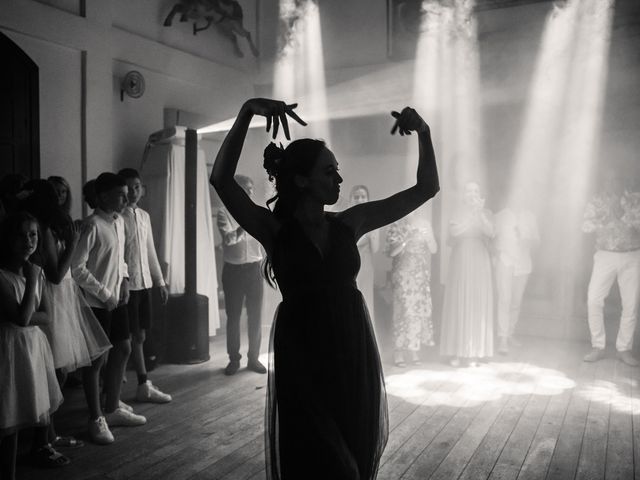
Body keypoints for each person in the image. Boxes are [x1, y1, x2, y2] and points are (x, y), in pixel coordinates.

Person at [210, 98, 439, 480]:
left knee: (352, 443)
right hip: (302, 348)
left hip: (351, 344)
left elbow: (426, 188)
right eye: (329, 172)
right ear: (302, 180)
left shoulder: (352, 222)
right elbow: (221, 180)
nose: (339, 180)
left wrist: (425, 134)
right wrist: (247, 110)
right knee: (316, 450)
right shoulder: (274, 230)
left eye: (337, 171)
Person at [21, 179, 112, 447]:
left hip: (64, 300)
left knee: (59, 370)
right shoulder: (46, 230)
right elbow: (57, 275)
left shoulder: (53, 227)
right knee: (55, 370)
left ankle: (49, 434)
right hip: (53, 296)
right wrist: (72, 241)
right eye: (55, 195)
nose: (60, 199)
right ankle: (45, 437)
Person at [71, 172, 147, 442]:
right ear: (103, 196)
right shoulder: (92, 225)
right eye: (120, 194)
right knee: (96, 362)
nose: (126, 198)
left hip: (117, 299)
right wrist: (104, 294)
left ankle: (112, 407)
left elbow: (121, 258)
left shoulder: (118, 222)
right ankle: (96, 418)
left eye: (127, 193)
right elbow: (76, 268)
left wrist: (124, 280)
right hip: (97, 303)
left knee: (124, 347)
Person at [0, 212, 68, 478]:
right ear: (8, 239)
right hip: (8, 350)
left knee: (22, 412)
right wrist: (31, 281)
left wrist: (33, 282)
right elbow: (22, 317)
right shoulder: (4, 276)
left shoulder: (35, 272)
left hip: (31, 349)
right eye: (22, 235)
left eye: (33, 234)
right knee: (9, 416)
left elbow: (46, 316)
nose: (29, 241)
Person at [118, 168, 171, 401]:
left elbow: (150, 252)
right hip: (124, 286)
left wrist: (159, 281)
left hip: (144, 283)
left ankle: (143, 384)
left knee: (139, 335)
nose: (133, 192)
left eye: (137, 186)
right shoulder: (117, 217)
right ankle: (115, 390)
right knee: (123, 340)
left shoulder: (145, 216)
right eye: (129, 187)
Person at [582, 171, 640, 366]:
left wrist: (626, 217)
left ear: (623, 182)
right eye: (609, 180)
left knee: (630, 305)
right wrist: (604, 219)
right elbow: (585, 226)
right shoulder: (597, 201)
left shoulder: (635, 200)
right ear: (604, 182)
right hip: (605, 255)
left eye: (617, 180)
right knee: (593, 300)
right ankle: (598, 346)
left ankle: (624, 349)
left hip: (632, 255)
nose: (613, 184)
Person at [440, 181, 494, 367]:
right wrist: (471, 217)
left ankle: (475, 352)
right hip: (461, 259)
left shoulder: (486, 214)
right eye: (469, 191)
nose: (472, 194)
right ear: (464, 195)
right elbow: (455, 232)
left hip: (480, 260)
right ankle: (456, 351)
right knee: (460, 300)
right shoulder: (457, 212)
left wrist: (478, 214)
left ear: (480, 195)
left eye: (476, 191)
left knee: (476, 303)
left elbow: (491, 233)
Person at [217, 174, 266, 376]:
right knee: (234, 316)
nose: (250, 192)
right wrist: (245, 223)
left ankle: (253, 358)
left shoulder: (258, 213)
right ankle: (233, 359)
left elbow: (264, 240)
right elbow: (228, 240)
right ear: (237, 190)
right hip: (233, 272)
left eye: (251, 188)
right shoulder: (223, 213)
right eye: (246, 188)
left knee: (255, 317)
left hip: (255, 269)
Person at [385, 208, 437, 367]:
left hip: (420, 275)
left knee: (416, 313)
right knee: (402, 312)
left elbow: (434, 249)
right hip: (402, 275)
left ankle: (414, 350)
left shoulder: (425, 224)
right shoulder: (395, 225)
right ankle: (398, 351)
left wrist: (427, 237)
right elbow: (392, 253)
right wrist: (408, 237)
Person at [493, 192, 539, 354]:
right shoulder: (501, 216)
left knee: (516, 301)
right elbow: (491, 237)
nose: (519, 199)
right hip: (505, 261)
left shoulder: (530, 217)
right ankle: (502, 338)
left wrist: (528, 240)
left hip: (523, 263)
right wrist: (497, 255)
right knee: (504, 299)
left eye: (522, 196)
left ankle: (510, 333)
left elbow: (537, 240)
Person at [349, 185, 380, 336]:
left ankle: (366, 337)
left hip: (366, 266)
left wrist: (371, 232)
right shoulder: (346, 219)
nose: (360, 200)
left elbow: (375, 249)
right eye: (356, 197)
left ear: (367, 199)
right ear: (351, 199)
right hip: (348, 265)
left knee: (366, 300)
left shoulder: (373, 219)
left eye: (363, 197)